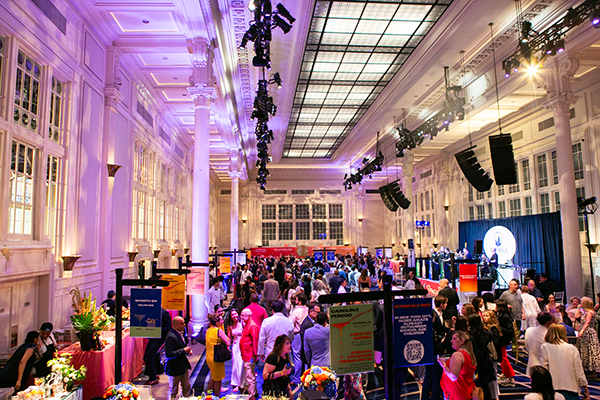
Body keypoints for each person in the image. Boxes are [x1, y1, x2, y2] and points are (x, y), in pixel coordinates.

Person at [540, 324, 589, 400]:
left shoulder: (545, 347)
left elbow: (543, 369)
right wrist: (586, 390)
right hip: (571, 388)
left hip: (552, 388)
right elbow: (579, 371)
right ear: (564, 333)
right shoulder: (572, 348)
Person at [439, 330, 477, 400]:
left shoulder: (457, 355)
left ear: (462, 341)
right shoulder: (469, 355)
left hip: (457, 394)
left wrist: (443, 365)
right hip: (466, 392)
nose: (451, 341)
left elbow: (453, 377)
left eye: (454, 339)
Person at [165, 316, 192, 398]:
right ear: (175, 325)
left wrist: (186, 352)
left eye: (184, 323)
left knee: (187, 387)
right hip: (174, 369)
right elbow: (169, 354)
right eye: (182, 323)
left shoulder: (180, 333)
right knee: (173, 391)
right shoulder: (171, 337)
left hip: (183, 366)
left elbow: (180, 348)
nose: (184, 325)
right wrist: (184, 350)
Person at [144, 308, 173, 385]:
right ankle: (154, 374)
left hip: (159, 338)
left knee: (148, 358)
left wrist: (156, 330)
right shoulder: (150, 311)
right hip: (152, 337)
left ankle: (153, 378)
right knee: (147, 357)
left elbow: (168, 327)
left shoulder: (164, 313)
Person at [205, 313, 231, 396]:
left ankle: (208, 395)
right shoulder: (219, 331)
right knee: (218, 380)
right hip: (217, 358)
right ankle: (216, 396)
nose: (222, 321)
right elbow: (227, 342)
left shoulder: (208, 330)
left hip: (209, 357)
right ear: (216, 322)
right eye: (221, 320)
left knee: (213, 377)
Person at [262, 335, 293, 399]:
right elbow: (265, 376)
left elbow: (286, 377)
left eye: (289, 343)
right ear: (280, 345)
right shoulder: (273, 357)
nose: (290, 345)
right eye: (287, 343)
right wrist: (281, 373)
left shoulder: (286, 357)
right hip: (273, 391)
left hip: (283, 390)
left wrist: (289, 390)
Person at [524, 312, 554, 376]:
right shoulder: (549, 334)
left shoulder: (529, 330)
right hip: (545, 368)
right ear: (548, 323)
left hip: (531, 365)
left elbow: (526, 347)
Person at [577, 297, 600, 377]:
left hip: (588, 333)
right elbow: (577, 316)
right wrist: (578, 308)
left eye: (581, 302)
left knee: (590, 351)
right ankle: (589, 371)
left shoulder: (590, 312)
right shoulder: (585, 312)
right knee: (585, 351)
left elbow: (587, 322)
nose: (580, 302)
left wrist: (581, 331)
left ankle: (592, 372)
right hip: (586, 333)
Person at [240, 309, 260, 400]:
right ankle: (254, 392)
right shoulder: (247, 324)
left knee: (250, 376)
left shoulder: (252, 326)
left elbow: (255, 341)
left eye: (243, 315)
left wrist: (255, 355)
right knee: (250, 374)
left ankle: (251, 396)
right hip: (246, 354)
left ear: (249, 315)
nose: (241, 317)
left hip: (250, 355)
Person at [495, 300, 515, 387]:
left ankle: (510, 376)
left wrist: (498, 327)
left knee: (503, 358)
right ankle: (505, 373)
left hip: (504, 340)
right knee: (502, 358)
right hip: (501, 339)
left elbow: (510, 331)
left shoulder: (506, 317)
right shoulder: (500, 315)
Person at [289, 293, 308, 385]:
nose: (295, 302)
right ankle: (306, 376)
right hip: (307, 333)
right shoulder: (308, 310)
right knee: (306, 355)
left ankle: (297, 378)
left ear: (299, 301)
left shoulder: (296, 311)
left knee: (297, 356)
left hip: (297, 334)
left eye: (296, 300)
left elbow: (290, 324)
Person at [482, 311, 502, 400]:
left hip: (493, 355)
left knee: (493, 373)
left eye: (487, 316)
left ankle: (495, 395)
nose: (485, 318)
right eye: (484, 316)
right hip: (490, 355)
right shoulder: (484, 328)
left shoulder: (493, 328)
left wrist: (494, 355)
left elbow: (497, 343)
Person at [300, 302, 321, 372]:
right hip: (309, 355)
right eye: (317, 312)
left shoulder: (313, 322)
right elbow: (306, 343)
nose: (318, 314)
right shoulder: (307, 324)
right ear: (311, 311)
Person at [228, 309, 245, 392]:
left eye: (235, 314)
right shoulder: (230, 325)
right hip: (235, 346)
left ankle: (241, 383)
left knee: (241, 364)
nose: (234, 316)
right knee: (235, 364)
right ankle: (236, 382)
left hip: (242, 345)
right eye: (232, 315)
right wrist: (228, 348)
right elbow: (229, 338)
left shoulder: (243, 323)